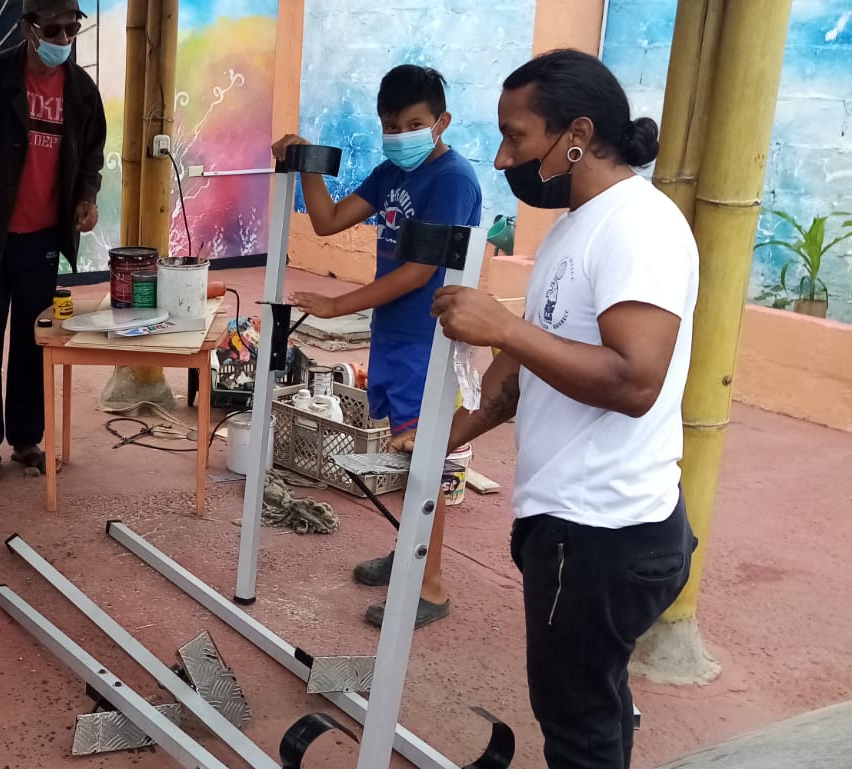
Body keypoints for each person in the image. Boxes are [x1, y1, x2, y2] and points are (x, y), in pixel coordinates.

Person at [432, 49, 698, 769]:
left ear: (577, 134)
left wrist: (503, 326)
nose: (501, 158)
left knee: (577, 725)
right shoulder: (577, 226)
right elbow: (523, 375)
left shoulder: (638, 227)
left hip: (603, 533)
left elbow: (634, 381)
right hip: (571, 524)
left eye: (516, 136)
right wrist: (440, 438)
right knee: (592, 702)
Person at [272, 64, 483, 628]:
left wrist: (338, 305)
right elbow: (327, 220)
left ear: (441, 122)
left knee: (425, 459)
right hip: (394, 333)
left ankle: (430, 584)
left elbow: (419, 271)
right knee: (408, 455)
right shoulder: (392, 171)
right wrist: (307, 162)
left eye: (414, 124)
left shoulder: (452, 180)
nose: (400, 135)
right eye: (391, 125)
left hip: (427, 339)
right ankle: (410, 553)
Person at [0, 0, 107, 484]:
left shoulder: (81, 91)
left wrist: (87, 197)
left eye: (71, 30)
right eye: (52, 30)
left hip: (42, 238)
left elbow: (91, 156)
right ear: (27, 28)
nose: (63, 40)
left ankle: (26, 440)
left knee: (34, 341)